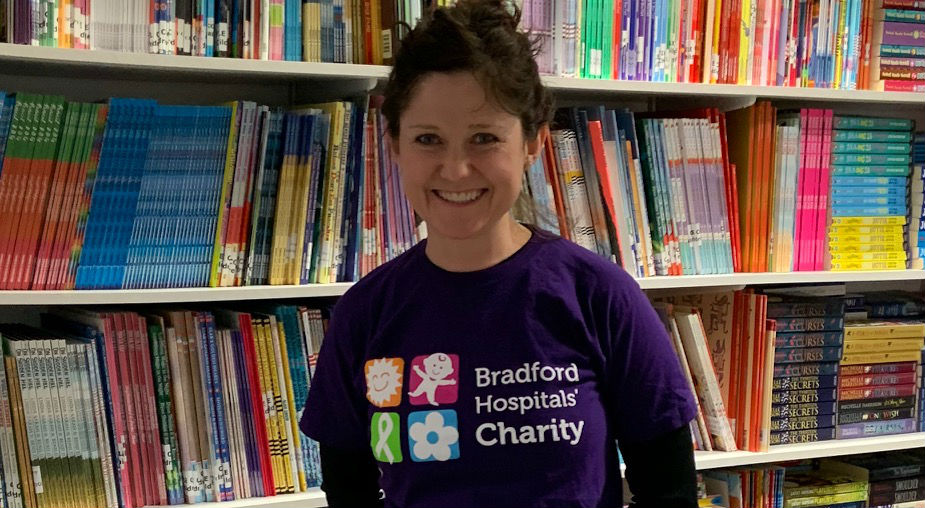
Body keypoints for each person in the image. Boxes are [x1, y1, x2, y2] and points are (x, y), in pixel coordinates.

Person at [299, 0, 700, 506]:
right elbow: (348, 490)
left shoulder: (600, 296)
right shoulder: (365, 313)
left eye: (484, 138)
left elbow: (670, 491)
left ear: (533, 143)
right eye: (428, 139)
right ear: (395, 144)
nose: (456, 169)